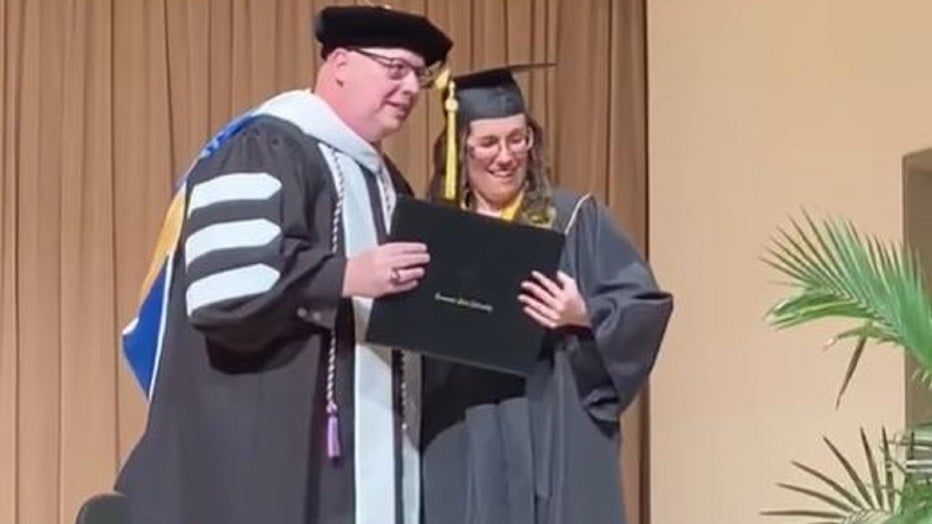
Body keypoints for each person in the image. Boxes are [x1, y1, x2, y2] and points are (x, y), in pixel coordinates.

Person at [115, 6, 452, 524]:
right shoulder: (265, 147)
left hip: (355, 451)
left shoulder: (387, 183)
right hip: (266, 441)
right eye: (396, 69)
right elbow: (225, 293)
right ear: (340, 63)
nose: (410, 88)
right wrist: (344, 275)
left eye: (418, 76)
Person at [420, 65, 674, 523]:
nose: (506, 156)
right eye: (489, 143)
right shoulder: (438, 233)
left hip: (554, 417)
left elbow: (643, 307)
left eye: (518, 139)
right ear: (461, 149)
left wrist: (584, 313)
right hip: (466, 427)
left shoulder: (573, 219)